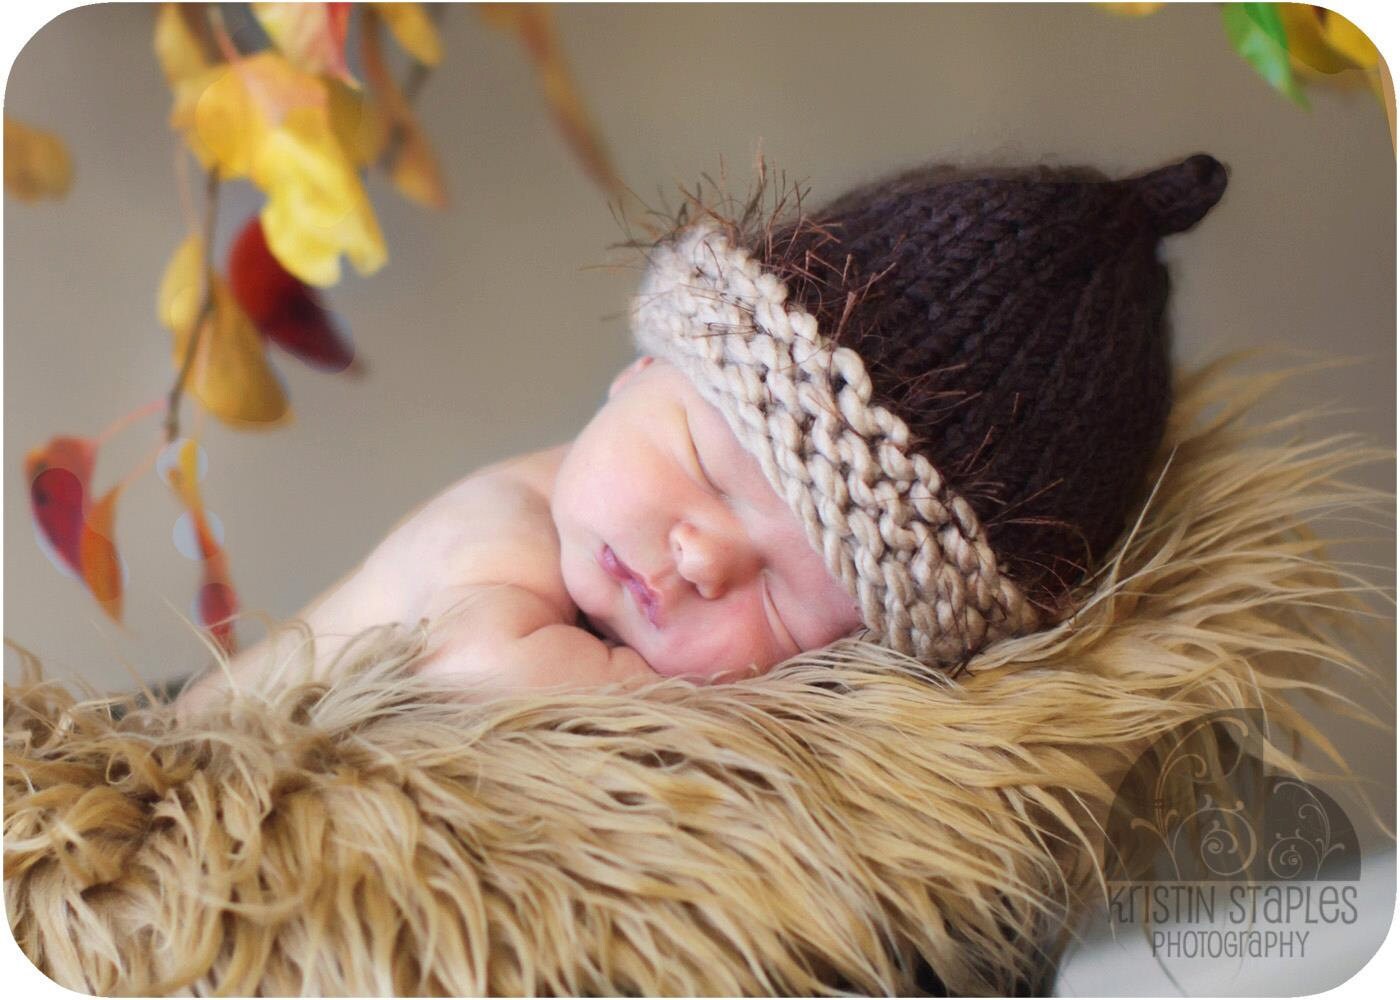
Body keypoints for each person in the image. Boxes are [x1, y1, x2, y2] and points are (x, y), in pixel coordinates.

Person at [177, 152, 1229, 715]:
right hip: (191, 762)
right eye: (704, 469)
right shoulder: (502, 531)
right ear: (643, 368)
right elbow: (474, 676)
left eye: (782, 590)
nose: (702, 554)